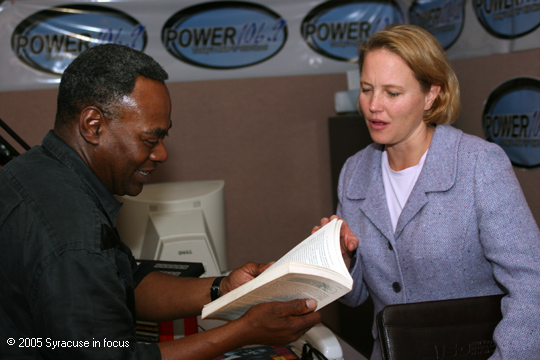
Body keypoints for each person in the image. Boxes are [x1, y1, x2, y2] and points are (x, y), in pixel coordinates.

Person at [0, 43, 321, 360]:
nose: (161, 154)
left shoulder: (33, 170)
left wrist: (224, 288)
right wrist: (243, 332)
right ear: (92, 125)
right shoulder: (74, 235)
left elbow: (124, 283)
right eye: (150, 139)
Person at [313, 24, 540, 359]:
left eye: (392, 93)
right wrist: (342, 260)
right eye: (366, 89)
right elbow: (355, 296)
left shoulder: (478, 164)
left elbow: (531, 284)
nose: (374, 106)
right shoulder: (353, 172)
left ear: (431, 94)